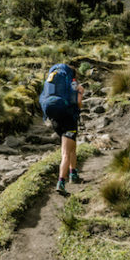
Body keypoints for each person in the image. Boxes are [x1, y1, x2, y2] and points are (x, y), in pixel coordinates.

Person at [39, 63, 84, 194]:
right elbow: (79, 102)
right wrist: (80, 92)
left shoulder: (52, 81)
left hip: (55, 119)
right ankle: (61, 182)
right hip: (69, 119)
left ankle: (73, 173)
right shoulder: (73, 83)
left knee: (71, 147)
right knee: (65, 153)